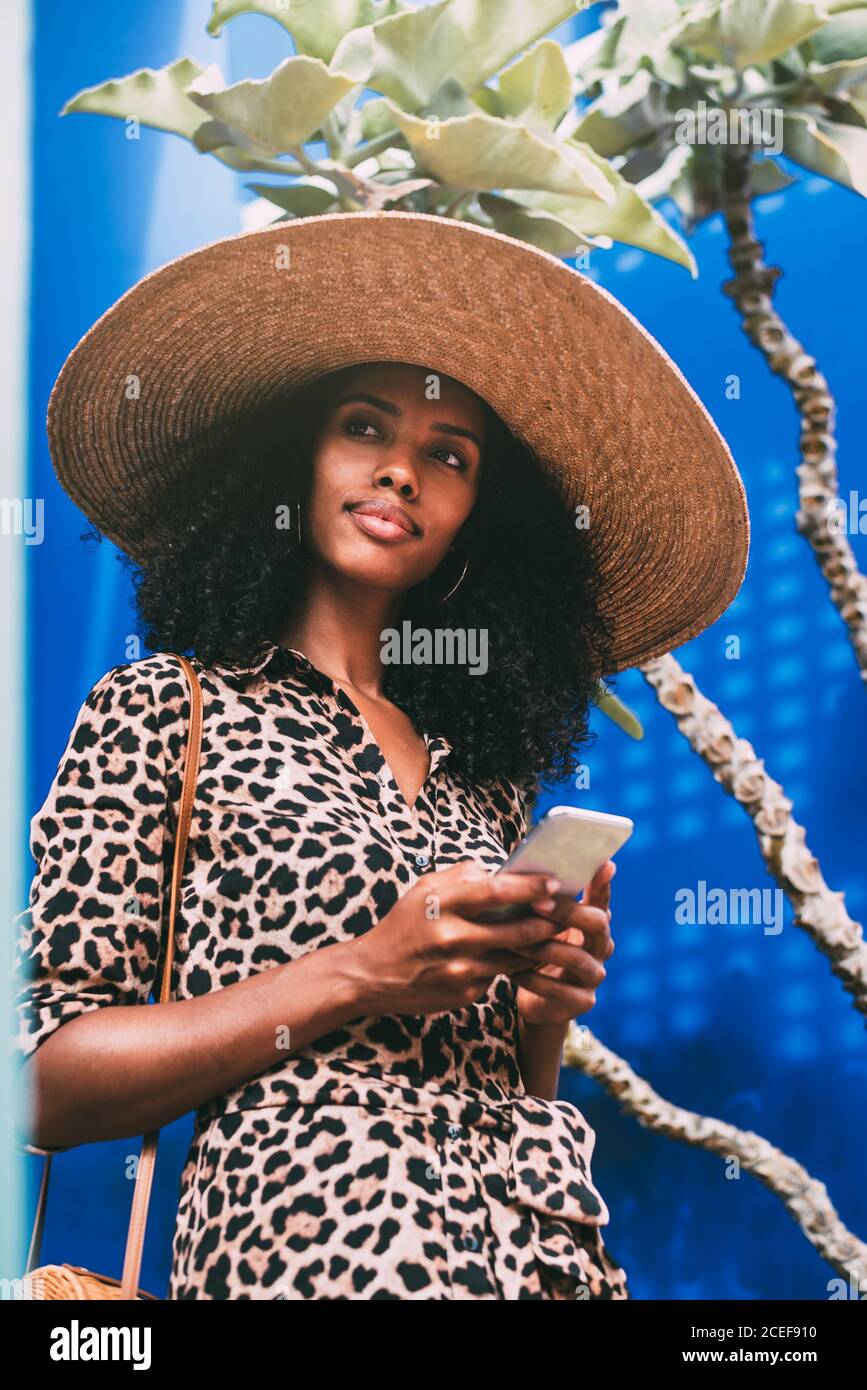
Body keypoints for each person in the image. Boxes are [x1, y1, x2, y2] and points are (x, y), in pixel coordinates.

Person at [13, 211, 749, 1300]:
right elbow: (39, 1087)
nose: (401, 472)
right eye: (365, 428)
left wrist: (538, 1018)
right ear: (293, 460)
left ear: (477, 520)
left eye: (448, 456)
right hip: (311, 1263)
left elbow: (505, 1092)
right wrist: (360, 970)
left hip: (536, 1264)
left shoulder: (487, 782)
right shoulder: (164, 709)